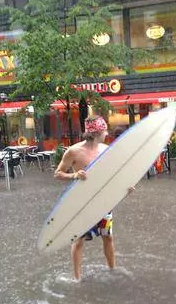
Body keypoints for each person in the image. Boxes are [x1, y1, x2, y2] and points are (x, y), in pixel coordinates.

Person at [54, 115, 133, 281]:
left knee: (108, 236)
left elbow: (113, 176)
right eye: (104, 130)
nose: (106, 133)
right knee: (78, 240)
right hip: (81, 204)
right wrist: (74, 175)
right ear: (97, 131)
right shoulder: (73, 151)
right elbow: (58, 174)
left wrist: (125, 187)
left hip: (103, 202)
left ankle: (112, 270)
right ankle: (77, 279)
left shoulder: (106, 150)